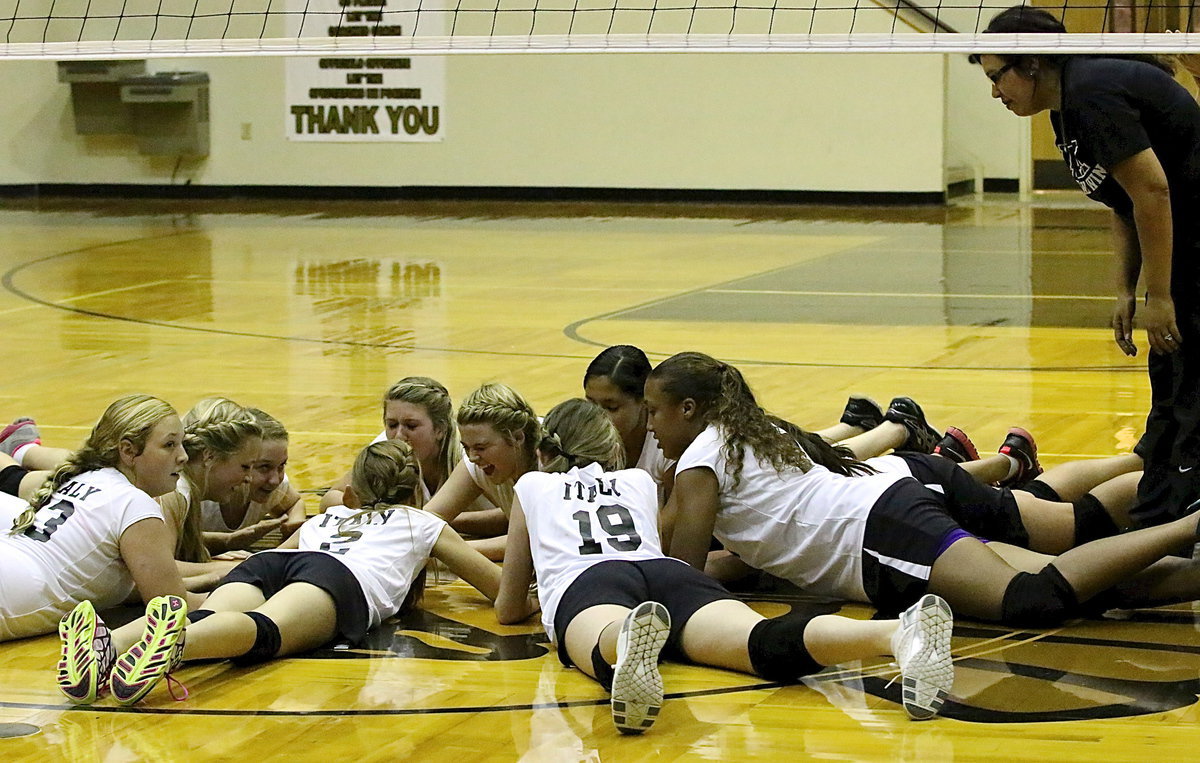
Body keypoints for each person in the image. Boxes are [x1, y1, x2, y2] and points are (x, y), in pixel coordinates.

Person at [496, 398, 955, 733]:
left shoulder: (532, 486)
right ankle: (894, 634)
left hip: (590, 582)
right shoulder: (637, 479)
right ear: (610, 449)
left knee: (598, 645)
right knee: (761, 644)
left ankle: (624, 643)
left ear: (542, 451)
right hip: (665, 573)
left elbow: (508, 607)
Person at [650, 351, 1200, 629]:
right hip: (903, 486)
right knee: (1087, 566)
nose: (650, 427)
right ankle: (1176, 481)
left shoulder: (698, 463)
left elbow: (686, 575)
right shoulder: (747, 430)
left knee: (1030, 600)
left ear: (688, 408)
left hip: (881, 530)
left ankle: (1188, 523)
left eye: (653, 413)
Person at [56, 439, 512, 706]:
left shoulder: (327, 516)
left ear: (353, 491)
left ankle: (109, 642)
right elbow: (497, 589)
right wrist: (532, 595)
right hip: (339, 578)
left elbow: (284, 552)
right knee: (266, 630)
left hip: (278, 560)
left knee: (210, 616)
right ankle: (176, 646)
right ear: (414, 489)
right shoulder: (423, 522)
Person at [971, 5, 1200, 526]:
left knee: (1189, 415)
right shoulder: (1067, 104)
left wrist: (1160, 295)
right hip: (1182, 251)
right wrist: (1125, 288)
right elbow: (1123, 200)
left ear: (1029, 64)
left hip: (1192, 254)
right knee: (1166, 419)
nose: (994, 93)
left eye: (996, 77)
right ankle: (1150, 526)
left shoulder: (1092, 91)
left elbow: (1153, 190)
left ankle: (1170, 534)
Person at [0, 395, 203, 648]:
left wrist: (219, 573)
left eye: (181, 444)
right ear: (128, 451)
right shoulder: (135, 504)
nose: (183, 456)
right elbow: (171, 609)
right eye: (169, 445)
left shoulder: (88, 477)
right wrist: (246, 589)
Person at [322, 377, 502, 538]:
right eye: (392, 424)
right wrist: (374, 512)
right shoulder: (386, 447)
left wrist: (435, 519)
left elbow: (511, 516)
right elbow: (330, 499)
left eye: (411, 426)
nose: (399, 435)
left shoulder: (469, 451)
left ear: (440, 429)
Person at [425, 382, 542, 560]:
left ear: (518, 437)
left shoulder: (552, 465)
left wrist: (442, 548)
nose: (472, 457)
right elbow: (423, 520)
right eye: (466, 447)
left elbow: (537, 541)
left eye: (481, 447)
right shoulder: (480, 462)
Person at [157, 398, 266, 587]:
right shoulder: (175, 492)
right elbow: (158, 570)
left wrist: (226, 541)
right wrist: (237, 568)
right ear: (209, 456)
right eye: (245, 466)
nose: (248, 478)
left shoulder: (182, 487)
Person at [199, 408, 306, 553]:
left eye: (282, 465)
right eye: (263, 467)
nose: (275, 480)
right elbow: (172, 540)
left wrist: (293, 523)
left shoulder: (272, 486)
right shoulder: (198, 493)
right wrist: (227, 541)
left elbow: (295, 503)